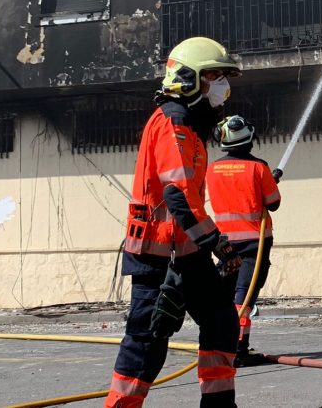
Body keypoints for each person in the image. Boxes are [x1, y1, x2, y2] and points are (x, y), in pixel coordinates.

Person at [106, 37, 244, 408]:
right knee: (149, 340)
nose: (222, 86)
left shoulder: (190, 125)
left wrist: (210, 243)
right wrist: (218, 242)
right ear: (189, 79)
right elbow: (179, 195)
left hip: (185, 249)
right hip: (159, 252)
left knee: (220, 322)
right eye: (214, 76)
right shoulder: (174, 122)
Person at [206, 115, 282, 366]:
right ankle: (239, 350)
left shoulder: (212, 168)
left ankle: (221, 345)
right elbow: (273, 203)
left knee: (226, 294)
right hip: (254, 244)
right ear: (249, 138)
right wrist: (268, 180)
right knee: (245, 298)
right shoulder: (259, 167)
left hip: (224, 245)